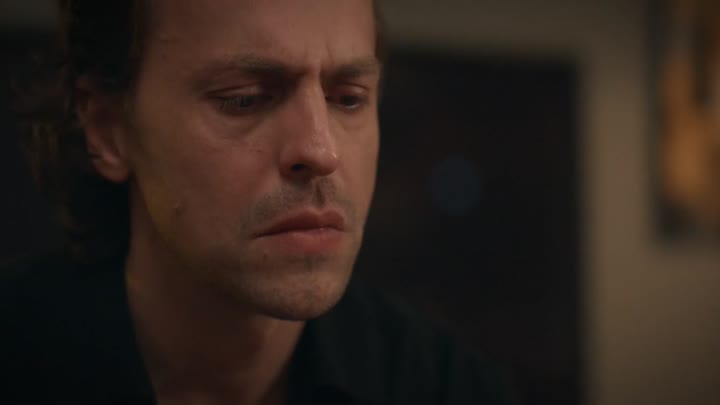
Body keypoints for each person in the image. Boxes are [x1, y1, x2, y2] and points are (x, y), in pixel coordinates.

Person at [1, 0, 514, 404]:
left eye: (349, 98)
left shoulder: (446, 388)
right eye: (244, 98)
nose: (321, 152)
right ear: (108, 130)